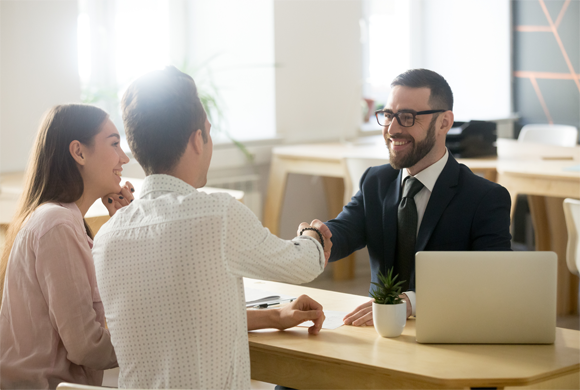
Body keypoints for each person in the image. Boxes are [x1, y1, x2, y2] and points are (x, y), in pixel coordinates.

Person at [92, 66, 332, 390]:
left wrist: (275, 315)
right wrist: (313, 236)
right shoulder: (217, 214)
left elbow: (176, 322)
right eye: (208, 131)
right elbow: (304, 264)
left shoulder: (106, 238)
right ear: (197, 140)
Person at [315, 68, 512, 327]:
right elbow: (343, 231)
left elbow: (491, 281)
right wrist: (315, 236)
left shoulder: (485, 199)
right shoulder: (375, 181)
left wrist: (412, 302)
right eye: (388, 115)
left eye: (407, 117)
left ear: (444, 122)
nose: (392, 129)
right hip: (379, 332)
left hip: (450, 332)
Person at [0, 104, 135, 390]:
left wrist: (123, 229)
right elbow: (86, 347)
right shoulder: (57, 224)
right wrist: (155, 342)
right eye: (114, 144)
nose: (124, 158)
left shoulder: (62, 220)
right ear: (79, 152)